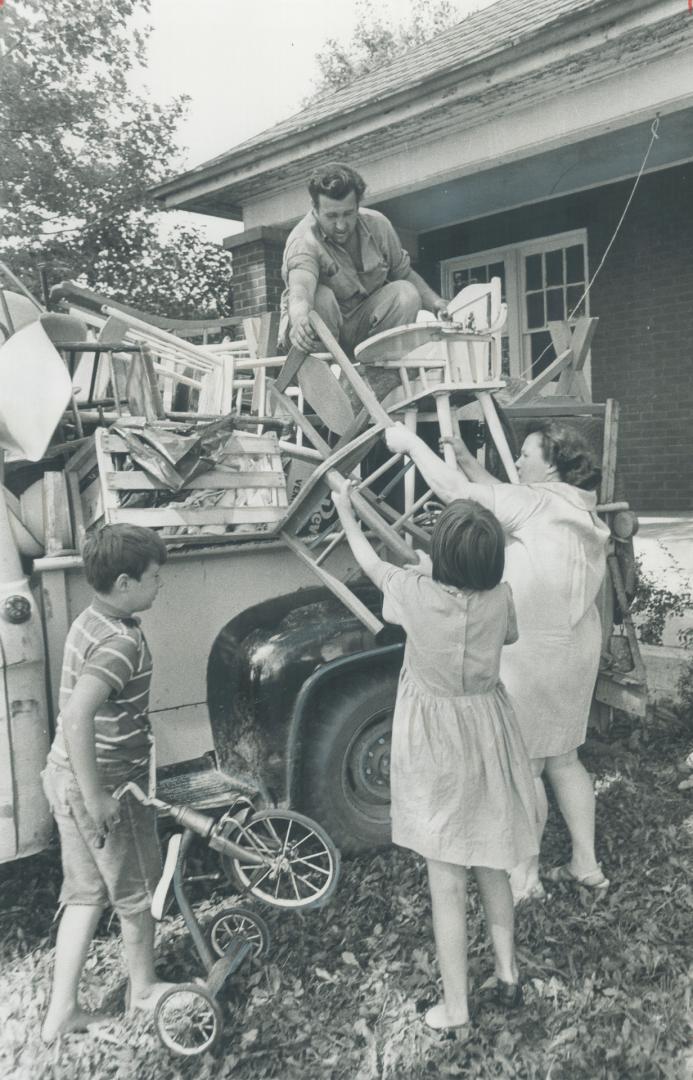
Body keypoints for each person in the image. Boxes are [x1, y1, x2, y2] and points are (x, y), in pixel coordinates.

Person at [331, 485, 538, 1036]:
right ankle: (507, 973)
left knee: (446, 877)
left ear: (440, 558)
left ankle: (457, 1007)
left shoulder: (413, 592)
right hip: (487, 729)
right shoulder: (502, 597)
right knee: (492, 857)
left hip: (437, 743)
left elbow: (369, 559)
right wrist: (441, 574)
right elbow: (505, 631)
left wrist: (347, 508)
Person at [385, 420, 611, 902]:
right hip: (577, 644)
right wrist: (466, 456)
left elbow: (458, 494)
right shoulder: (575, 505)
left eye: (528, 454)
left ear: (552, 462)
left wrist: (410, 444)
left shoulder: (534, 503)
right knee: (565, 759)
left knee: (525, 767)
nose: (520, 461)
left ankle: (524, 879)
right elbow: (502, 493)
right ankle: (585, 864)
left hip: (537, 648)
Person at [41, 525, 174, 1041]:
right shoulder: (120, 643)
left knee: (84, 893)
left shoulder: (89, 619)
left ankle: (62, 1013)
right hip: (108, 784)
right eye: (153, 577)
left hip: (66, 775)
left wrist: (67, 775)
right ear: (124, 582)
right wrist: (98, 796)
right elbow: (78, 715)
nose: (160, 584)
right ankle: (143, 992)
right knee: (137, 889)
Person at [281, 162, 448, 355]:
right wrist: (300, 317)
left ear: (358, 205)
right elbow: (301, 291)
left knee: (406, 292)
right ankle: (329, 372)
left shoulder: (378, 225)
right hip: (318, 339)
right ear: (315, 208)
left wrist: (437, 304)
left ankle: (380, 368)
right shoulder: (303, 239)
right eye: (332, 216)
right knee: (321, 298)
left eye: (348, 214)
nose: (341, 225)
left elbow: (405, 273)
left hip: (363, 327)